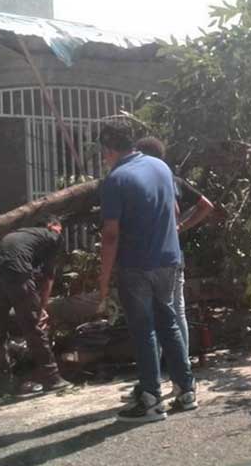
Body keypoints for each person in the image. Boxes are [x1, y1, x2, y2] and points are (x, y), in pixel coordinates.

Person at [98, 123, 197, 423]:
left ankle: (151, 400)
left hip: (136, 266)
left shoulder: (115, 180)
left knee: (144, 331)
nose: (103, 158)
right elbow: (175, 212)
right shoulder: (161, 167)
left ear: (109, 150)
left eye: (103, 153)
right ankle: (186, 390)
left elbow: (111, 236)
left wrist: (103, 283)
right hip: (169, 260)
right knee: (169, 324)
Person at [134, 136, 215, 354]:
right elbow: (206, 206)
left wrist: (179, 226)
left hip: (151, 256)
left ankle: (161, 364)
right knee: (176, 309)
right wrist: (180, 228)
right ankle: (181, 362)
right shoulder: (173, 179)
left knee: (153, 311)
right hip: (174, 253)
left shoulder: (144, 182)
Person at [0, 216, 71, 395]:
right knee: (32, 326)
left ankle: (2, 381)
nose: (61, 232)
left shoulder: (24, 235)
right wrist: (40, 309)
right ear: (51, 226)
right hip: (15, 269)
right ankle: (52, 377)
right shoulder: (54, 237)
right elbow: (48, 279)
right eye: (59, 228)